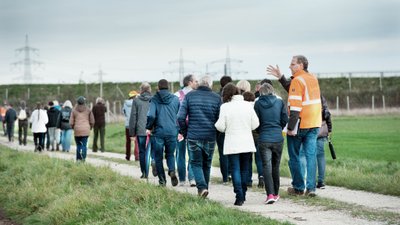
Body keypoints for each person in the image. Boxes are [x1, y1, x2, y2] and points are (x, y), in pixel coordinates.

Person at [267, 55, 322, 196]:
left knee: (295, 156)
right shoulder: (312, 78)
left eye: (292, 64)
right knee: (311, 156)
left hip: (300, 124)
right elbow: (295, 90)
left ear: (301, 65)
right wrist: (281, 77)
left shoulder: (297, 80)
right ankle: (311, 188)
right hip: (315, 123)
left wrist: (290, 128)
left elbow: (296, 108)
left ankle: (298, 188)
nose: (290, 66)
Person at [215, 83, 259, 206]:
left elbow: (220, 126)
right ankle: (243, 193)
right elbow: (255, 124)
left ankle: (239, 195)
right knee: (245, 168)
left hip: (232, 143)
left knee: (235, 169)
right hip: (246, 142)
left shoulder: (225, 107)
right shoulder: (248, 105)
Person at [177, 75, 221, 198]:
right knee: (207, 164)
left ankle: (202, 188)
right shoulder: (217, 98)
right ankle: (204, 188)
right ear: (210, 85)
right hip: (210, 136)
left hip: (193, 135)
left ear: (199, 84)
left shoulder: (189, 96)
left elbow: (180, 117)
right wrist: (216, 134)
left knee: (196, 163)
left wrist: (185, 132)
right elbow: (220, 120)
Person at [254, 83, 288, 204]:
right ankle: (276, 193)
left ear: (261, 92)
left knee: (266, 167)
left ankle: (270, 195)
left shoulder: (257, 103)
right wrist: (278, 128)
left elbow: (256, 122)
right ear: (272, 91)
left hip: (264, 138)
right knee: (275, 166)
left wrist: (260, 131)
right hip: (278, 138)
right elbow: (285, 119)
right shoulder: (279, 102)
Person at [146, 79, 179, 186]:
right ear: (168, 87)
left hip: (159, 132)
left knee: (158, 157)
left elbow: (151, 115)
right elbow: (179, 115)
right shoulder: (175, 99)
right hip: (172, 131)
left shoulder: (154, 99)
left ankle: (162, 181)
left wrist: (149, 127)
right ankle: (172, 170)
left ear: (158, 87)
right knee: (170, 154)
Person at [299, 95, 333, 189]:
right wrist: (329, 129)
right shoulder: (320, 97)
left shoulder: (305, 96)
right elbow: (327, 114)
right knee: (320, 156)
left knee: (302, 155)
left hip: (307, 129)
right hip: (321, 131)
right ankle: (321, 182)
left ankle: (302, 181)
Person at [237, 80, 263, 187]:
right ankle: (261, 176)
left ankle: (248, 180)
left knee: (247, 158)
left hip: (246, 135)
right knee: (259, 157)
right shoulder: (255, 104)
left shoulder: (239, 104)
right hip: (257, 134)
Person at [174, 74, 198, 186]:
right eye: (195, 81)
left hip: (179, 128)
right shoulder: (196, 95)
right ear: (189, 82)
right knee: (192, 153)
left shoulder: (176, 95)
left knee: (180, 154)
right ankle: (192, 178)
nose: (197, 83)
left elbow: (174, 113)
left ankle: (182, 179)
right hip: (193, 128)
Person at [129, 82, 154, 178]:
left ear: (141, 90)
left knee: (142, 151)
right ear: (149, 89)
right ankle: (153, 161)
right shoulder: (154, 99)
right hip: (152, 129)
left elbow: (133, 117)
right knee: (153, 150)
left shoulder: (136, 101)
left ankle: (144, 172)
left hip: (141, 130)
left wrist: (132, 132)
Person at [216, 75, 232, 184]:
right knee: (232, 151)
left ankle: (225, 177)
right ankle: (232, 173)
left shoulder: (217, 96)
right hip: (232, 128)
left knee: (222, 153)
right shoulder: (234, 96)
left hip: (220, 129)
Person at [70, 96, 94, 162]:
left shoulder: (74, 110)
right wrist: (90, 127)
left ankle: (78, 159)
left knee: (78, 145)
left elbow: (71, 122)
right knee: (84, 144)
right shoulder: (88, 110)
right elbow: (92, 121)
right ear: (84, 102)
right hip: (86, 130)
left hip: (77, 130)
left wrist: (73, 128)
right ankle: (83, 158)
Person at [123, 90, 137, 161]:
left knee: (128, 141)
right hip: (135, 124)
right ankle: (137, 156)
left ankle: (128, 156)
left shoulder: (125, 103)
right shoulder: (137, 102)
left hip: (128, 124)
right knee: (136, 141)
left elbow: (124, 112)